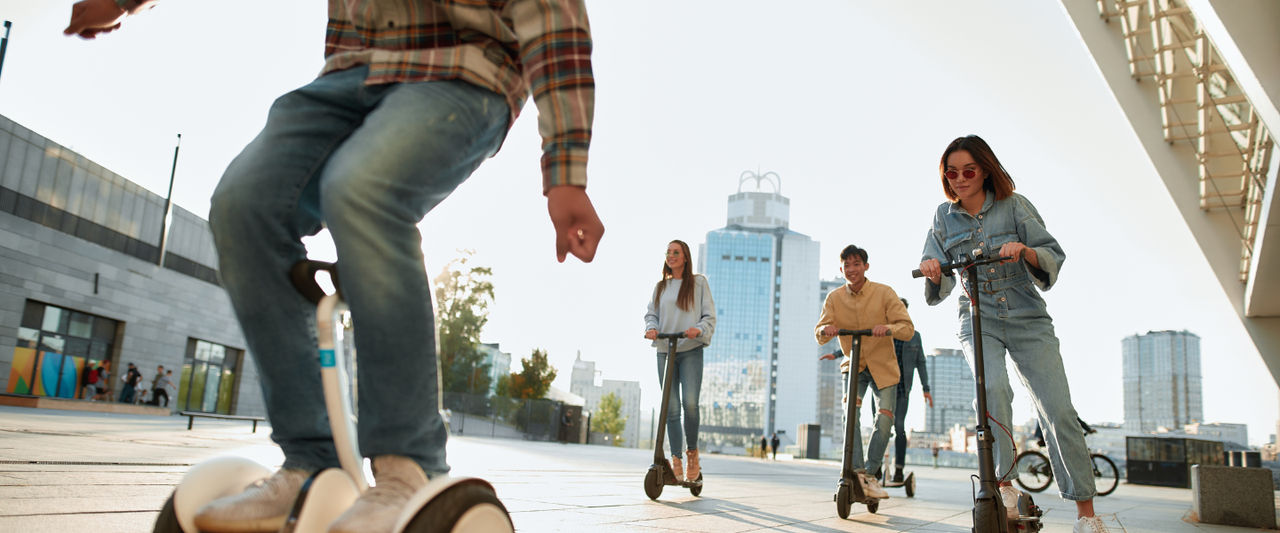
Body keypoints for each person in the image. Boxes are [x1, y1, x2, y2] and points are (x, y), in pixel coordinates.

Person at [65, 1, 604, 531]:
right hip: (349, 74)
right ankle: (310, 459)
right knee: (243, 205)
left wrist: (565, 170)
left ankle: (407, 465)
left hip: (464, 71)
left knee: (361, 189)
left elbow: (551, 12)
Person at [917, 134, 1105, 533]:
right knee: (993, 392)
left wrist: (1024, 250)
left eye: (968, 170)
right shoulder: (942, 216)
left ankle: (1087, 516)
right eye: (952, 172)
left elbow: (1051, 254)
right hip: (977, 316)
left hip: (1027, 317)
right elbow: (934, 269)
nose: (960, 179)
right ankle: (1001, 487)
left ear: (984, 170)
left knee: (1057, 409)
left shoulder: (1015, 205)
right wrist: (932, 268)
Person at [815, 244, 914, 500]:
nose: (851, 269)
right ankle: (858, 473)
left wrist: (888, 328)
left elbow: (907, 328)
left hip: (883, 366)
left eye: (856, 264)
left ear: (866, 267)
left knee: (884, 419)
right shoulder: (834, 298)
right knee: (850, 415)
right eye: (846, 265)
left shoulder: (884, 293)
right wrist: (827, 331)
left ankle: (870, 473)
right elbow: (820, 331)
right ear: (841, 269)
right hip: (854, 364)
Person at [644, 240, 715, 484]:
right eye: (669, 252)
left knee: (690, 403)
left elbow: (709, 315)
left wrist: (699, 328)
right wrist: (652, 329)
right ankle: (675, 460)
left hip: (690, 349)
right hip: (665, 349)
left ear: (685, 257)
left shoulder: (698, 283)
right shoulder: (661, 286)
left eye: (677, 252)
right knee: (670, 409)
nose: (671, 256)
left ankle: (692, 455)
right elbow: (651, 314)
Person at [889, 298, 932, 483]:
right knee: (880, 427)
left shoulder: (915, 336)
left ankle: (899, 468)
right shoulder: (884, 331)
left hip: (902, 388)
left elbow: (921, 362)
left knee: (899, 427)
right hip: (882, 386)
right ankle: (874, 468)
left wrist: (926, 388)